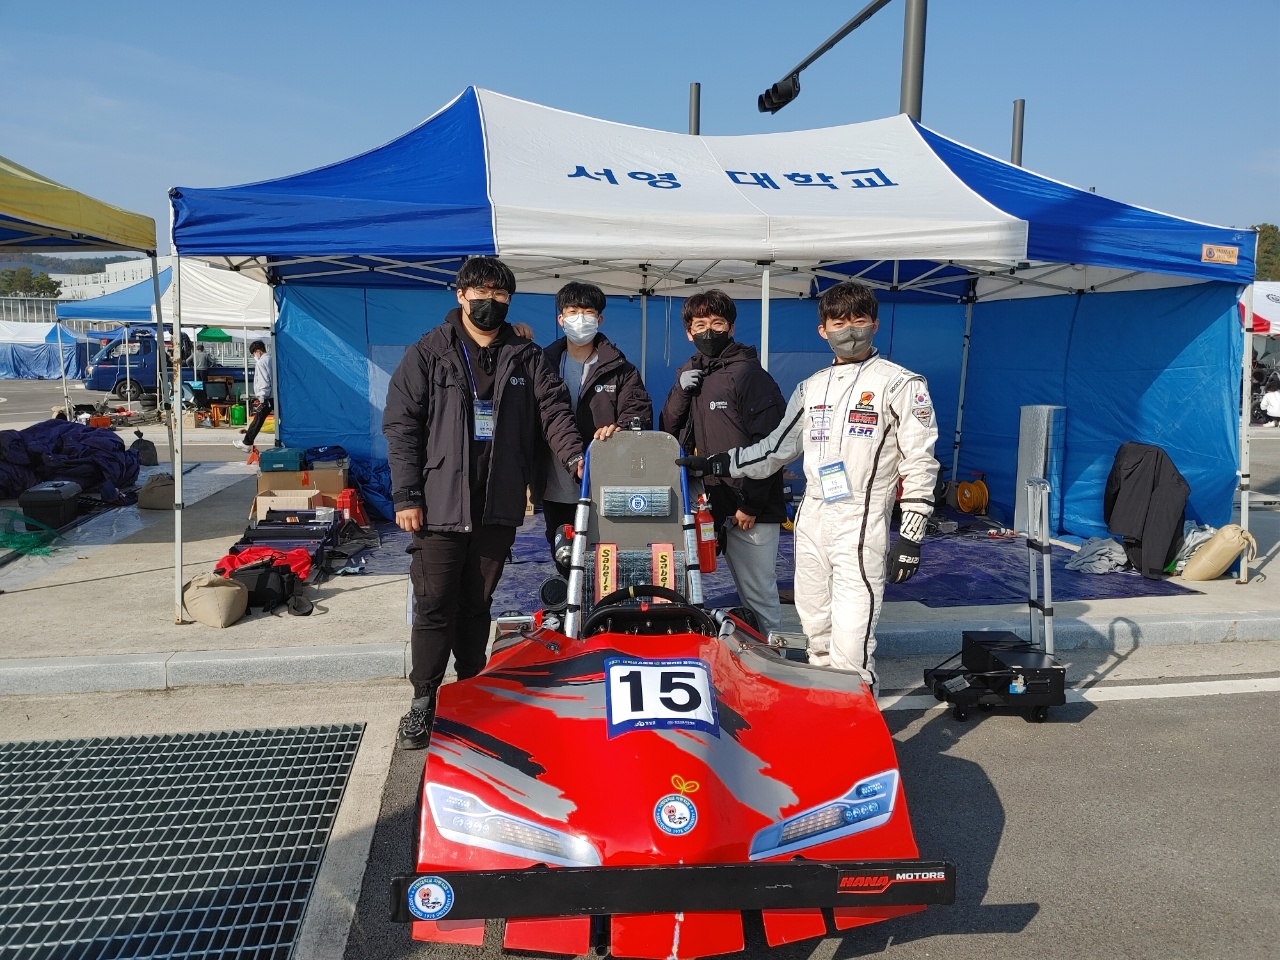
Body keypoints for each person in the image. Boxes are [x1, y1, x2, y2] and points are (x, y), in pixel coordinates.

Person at [676, 281, 939, 691]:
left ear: (875, 325)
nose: (849, 330)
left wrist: (911, 535)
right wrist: (720, 462)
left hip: (861, 520)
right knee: (815, 630)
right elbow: (774, 450)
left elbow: (920, 461)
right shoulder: (811, 387)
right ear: (823, 330)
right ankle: (823, 710)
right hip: (813, 516)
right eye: (839, 322)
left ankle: (855, 716)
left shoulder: (900, 384)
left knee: (851, 640)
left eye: (858, 320)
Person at [382, 256, 584, 749]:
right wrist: (407, 495)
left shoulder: (526, 355)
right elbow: (402, 426)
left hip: (498, 504)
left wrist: (577, 458)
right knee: (434, 605)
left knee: (477, 604)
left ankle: (469, 688)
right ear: (461, 295)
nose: (490, 302)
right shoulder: (428, 352)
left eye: (500, 294)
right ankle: (423, 701)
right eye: (481, 293)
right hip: (438, 506)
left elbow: (554, 411)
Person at [660, 289, 787, 637]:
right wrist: (680, 390)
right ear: (689, 332)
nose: (709, 331)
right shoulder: (692, 374)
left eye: (717, 323)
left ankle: (773, 654)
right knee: (685, 585)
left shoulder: (750, 376)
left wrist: (752, 503)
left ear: (730, 328)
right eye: (700, 325)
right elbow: (669, 431)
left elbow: (771, 445)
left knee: (758, 594)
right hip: (707, 501)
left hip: (750, 507)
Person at [537, 281, 652, 555]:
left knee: (605, 558)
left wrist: (621, 429)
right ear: (561, 319)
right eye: (572, 311)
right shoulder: (543, 364)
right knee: (565, 557)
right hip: (555, 485)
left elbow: (638, 412)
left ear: (599, 320)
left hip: (606, 485)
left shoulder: (621, 369)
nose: (580, 318)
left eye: (588, 312)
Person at [232, 340, 272, 452]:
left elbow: (263, 381)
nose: (254, 356)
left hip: (266, 396)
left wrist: (262, 397)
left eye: (253, 353)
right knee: (258, 419)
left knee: (258, 420)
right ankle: (247, 442)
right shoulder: (271, 359)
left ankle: (247, 443)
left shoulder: (261, 363)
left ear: (258, 351)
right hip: (273, 395)